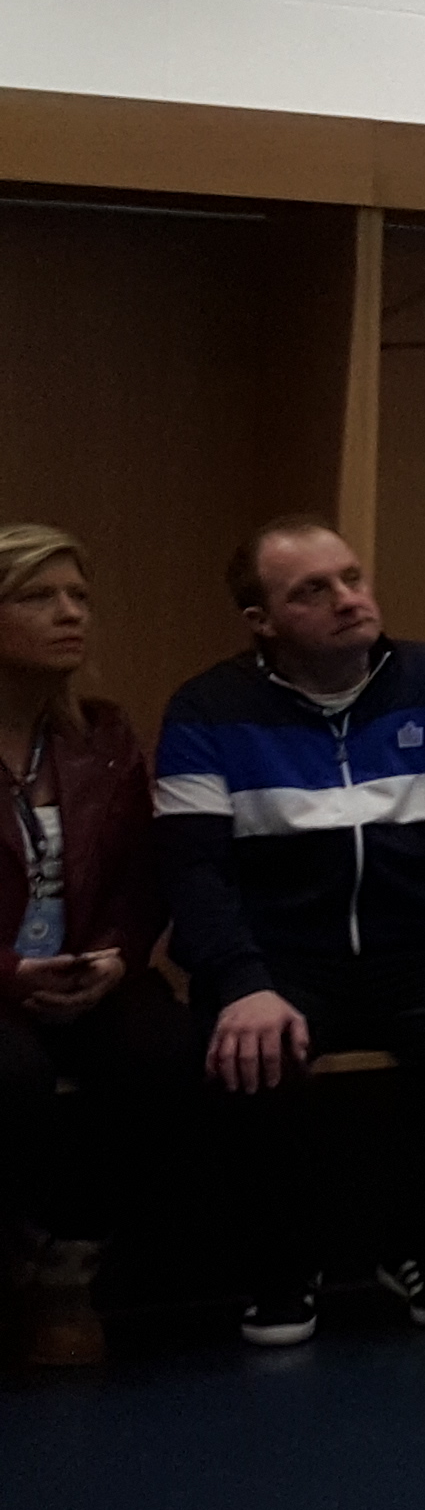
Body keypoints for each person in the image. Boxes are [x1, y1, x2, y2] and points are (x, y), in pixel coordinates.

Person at [158, 515, 425, 1349]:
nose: (348, 599)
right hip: (280, 963)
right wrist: (241, 982)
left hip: (419, 956)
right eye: (312, 591)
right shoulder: (208, 709)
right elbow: (192, 868)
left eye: (351, 577)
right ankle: (283, 1265)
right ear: (262, 621)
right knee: (241, 1056)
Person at [0, 527, 200, 1371]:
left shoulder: (102, 735)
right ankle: (17, 1258)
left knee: (166, 1049)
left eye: (79, 596)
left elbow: (141, 873)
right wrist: (9, 974)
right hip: (3, 985)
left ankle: (73, 1262)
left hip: (84, 973)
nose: (70, 613)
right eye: (39, 597)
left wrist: (118, 953)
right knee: (12, 1074)